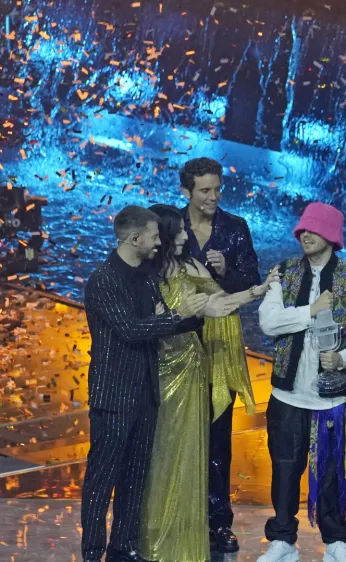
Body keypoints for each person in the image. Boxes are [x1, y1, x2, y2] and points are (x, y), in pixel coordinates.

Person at [138, 205, 273, 562]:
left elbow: (219, 304)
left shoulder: (191, 268)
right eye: (179, 231)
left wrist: (256, 291)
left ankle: (183, 537)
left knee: (190, 457)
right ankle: (150, 537)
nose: (186, 236)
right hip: (158, 377)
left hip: (192, 375)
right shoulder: (144, 277)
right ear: (165, 235)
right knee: (157, 456)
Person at [81, 205, 213, 562]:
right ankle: (92, 552)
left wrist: (195, 317)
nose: (160, 242)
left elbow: (157, 325)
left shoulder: (146, 277)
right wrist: (176, 315)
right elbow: (131, 329)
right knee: (102, 480)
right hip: (114, 397)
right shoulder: (104, 280)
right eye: (154, 236)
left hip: (147, 393)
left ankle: (122, 549)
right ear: (134, 237)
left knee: (135, 478)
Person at [256, 203, 346, 562]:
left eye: (313, 230)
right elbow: (268, 322)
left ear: (331, 236)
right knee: (284, 467)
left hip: (332, 398)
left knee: (331, 472)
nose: (304, 235)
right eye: (302, 231)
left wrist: (342, 359)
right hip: (288, 393)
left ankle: (336, 541)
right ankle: (282, 540)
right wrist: (308, 312)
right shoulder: (284, 272)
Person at [178, 156, 262, 553]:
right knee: (179, 435)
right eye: (205, 191)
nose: (213, 197)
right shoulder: (170, 227)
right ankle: (179, 517)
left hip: (221, 343)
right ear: (187, 192)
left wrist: (226, 269)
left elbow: (252, 281)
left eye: (217, 189)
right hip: (179, 343)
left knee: (218, 437)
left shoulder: (235, 228)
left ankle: (218, 523)